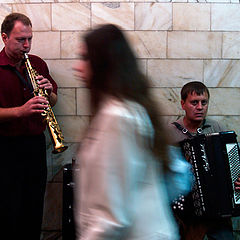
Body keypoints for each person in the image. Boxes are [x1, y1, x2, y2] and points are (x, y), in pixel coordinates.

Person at [73, 24, 179, 239]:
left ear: (103, 64)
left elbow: (111, 218)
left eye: (84, 58)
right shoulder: (129, 109)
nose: (77, 67)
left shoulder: (117, 116)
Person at [0, 13, 58, 239]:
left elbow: (53, 101)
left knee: (33, 205)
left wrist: (49, 92)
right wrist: (21, 111)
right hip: (5, 147)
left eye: (29, 39)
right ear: (4, 37)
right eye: (20, 39)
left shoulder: (38, 63)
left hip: (34, 145)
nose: (26, 45)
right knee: (7, 210)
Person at [167, 81, 239, 240]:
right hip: (184, 214)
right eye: (194, 102)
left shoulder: (217, 128)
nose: (200, 107)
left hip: (218, 212)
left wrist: (237, 179)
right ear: (183, 104)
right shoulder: (170, 133)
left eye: (204, 102)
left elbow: (231, 164)